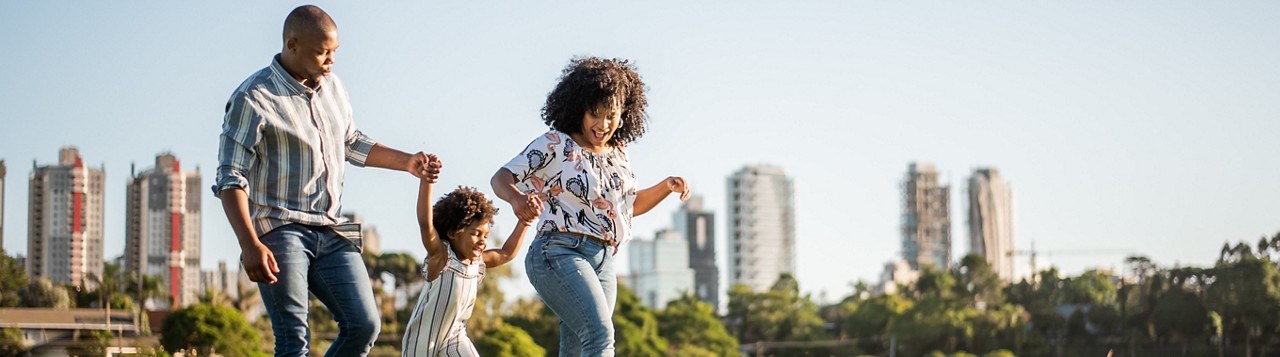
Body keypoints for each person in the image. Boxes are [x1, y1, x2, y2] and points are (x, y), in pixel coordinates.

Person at [213, 5, 437, 357]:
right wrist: (249, 243)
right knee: (294, 342)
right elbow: (230, 177)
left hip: (330, 230)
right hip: (280, 229)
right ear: (293, 45)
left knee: (364, 326)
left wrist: (407, 163)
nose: (331, 60)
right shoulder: (253, 98)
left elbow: (350, 142)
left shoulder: (334, 88)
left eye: (335, 52)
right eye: (322, 52)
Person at [490, 56, 691, 356]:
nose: (603, 124)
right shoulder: (555, 144)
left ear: (624, 114)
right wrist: (517, 199)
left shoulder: (618, 153)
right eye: (595, 114)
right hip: (558, 252)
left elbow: (626, 208)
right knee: (599, 334)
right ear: (578, 109)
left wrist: (666, 187)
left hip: (605, 261)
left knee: (577, 347)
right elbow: (501, 177)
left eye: (612, 115)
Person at [401, 156, 537, 356]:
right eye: (475, 234)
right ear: (453, 232)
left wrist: (524, 222)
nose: (483, 240)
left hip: (455, 337)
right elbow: (425, 223)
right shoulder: (441, 257)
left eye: (486, 235)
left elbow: (506, 253)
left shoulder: (477, 263)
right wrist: (426, 181)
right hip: (422, 341)